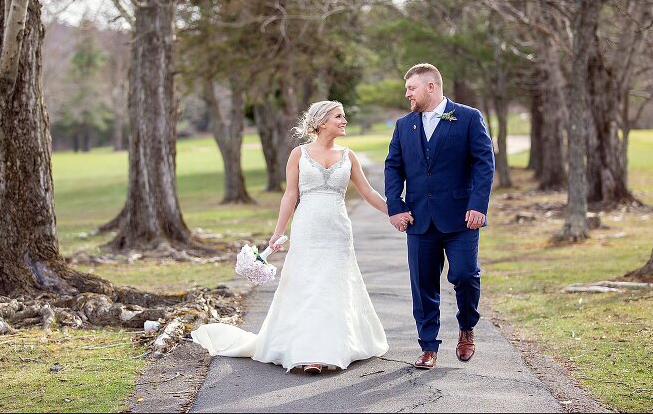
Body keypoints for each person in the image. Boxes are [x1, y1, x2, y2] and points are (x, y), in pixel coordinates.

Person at [191, 100, 389, 374]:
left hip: (338, 230)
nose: (344, 121)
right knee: (308, 287)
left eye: (343, 116)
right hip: (307, 228)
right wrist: (278, 232)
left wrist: (395, 213)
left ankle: (337, 346)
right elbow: (290, 195)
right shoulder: (299, 154)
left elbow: (367, 192)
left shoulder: (349, 155)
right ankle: (310, 354)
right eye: (338, 117)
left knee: (334, 286)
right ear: (321, 123)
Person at [384, 63, 494, 370]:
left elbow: (484, 163)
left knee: (465, 275)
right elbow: (393, 167)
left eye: (411, 88)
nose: (407, 93)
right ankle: (428, 346)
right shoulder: (405, 125)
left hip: (462, 218)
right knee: (423, 284)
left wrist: (478, 205)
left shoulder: (469, 117)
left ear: (431, 87)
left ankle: (467, 327)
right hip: (419, 219)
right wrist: (396, 206)